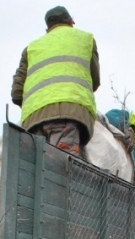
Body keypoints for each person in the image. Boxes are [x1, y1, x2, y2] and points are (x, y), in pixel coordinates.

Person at [11, 6, 100, 156]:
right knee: (61, 166)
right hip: (68, 114)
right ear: (71, 22)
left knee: (35, 168)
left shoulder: (31, 48)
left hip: (32, 122)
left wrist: (37, 107)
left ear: (48, 28)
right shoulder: (86, 39)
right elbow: (94, 81)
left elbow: (16, 93)